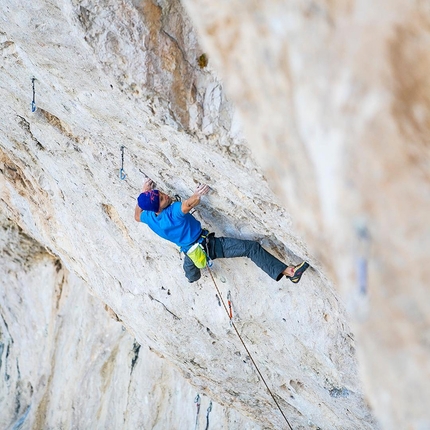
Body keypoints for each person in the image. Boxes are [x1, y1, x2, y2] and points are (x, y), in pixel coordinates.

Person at [134, 178, 309, 283]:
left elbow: (136, 215)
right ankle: (290, 273)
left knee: (191, 265)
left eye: (161, 193)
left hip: (189, 250)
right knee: (251, 248)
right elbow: (187, 205)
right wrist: (198, 194)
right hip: (209, 246)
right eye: (163, 199)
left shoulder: (149, 218)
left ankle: (192, 278)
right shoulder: (172, 213)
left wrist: (143, 193)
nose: (166, 196)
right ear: (158, 207)